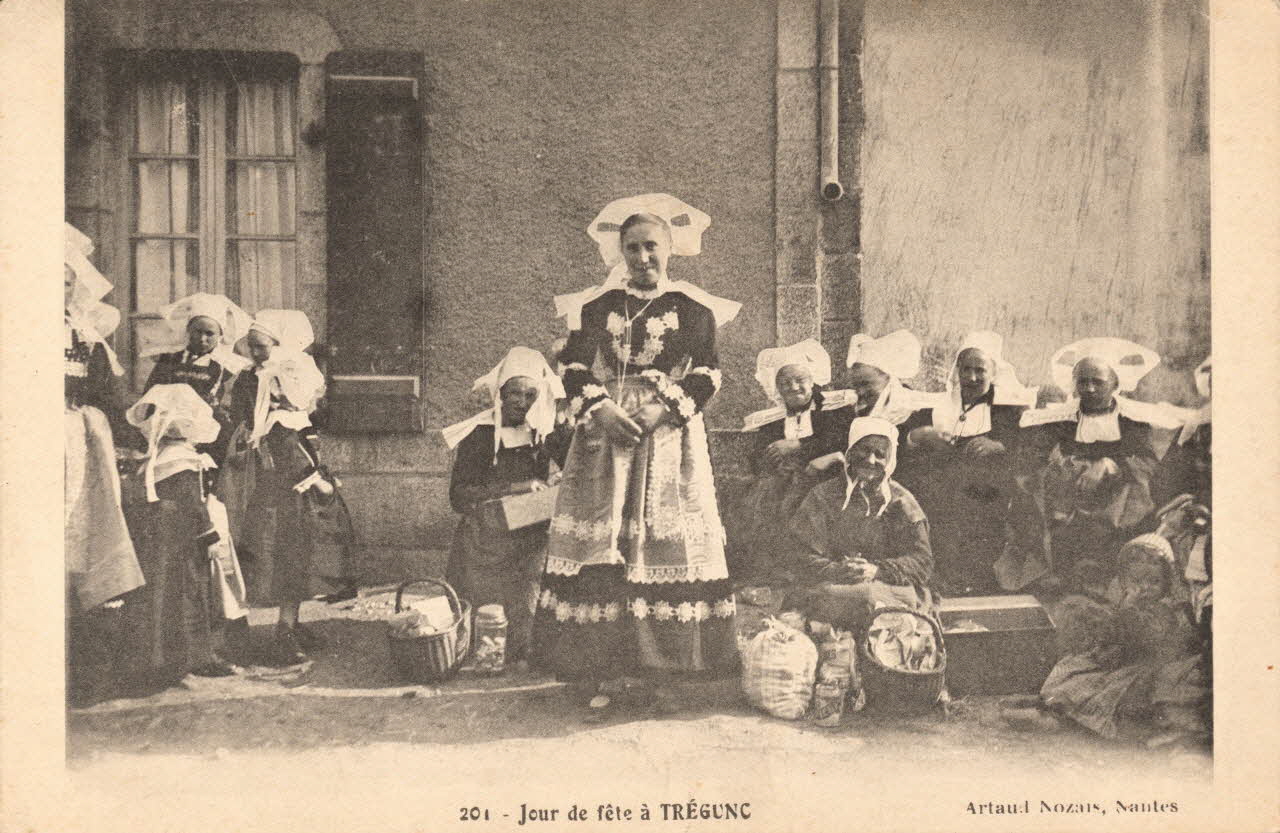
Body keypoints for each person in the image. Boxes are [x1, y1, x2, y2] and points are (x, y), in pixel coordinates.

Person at [532, 194, 742, 709]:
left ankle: (662, 674)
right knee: (604, 547)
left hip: (667, 438)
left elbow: (708, 373)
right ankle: (601, 671)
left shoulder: (693, 309)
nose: (643, 258)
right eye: (633, 248)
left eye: (652, 247)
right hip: (605, 440)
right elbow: (575, 368)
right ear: (619, 252)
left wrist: (661, 410)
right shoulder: (595, 307)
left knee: (661, 547)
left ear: (669, 249)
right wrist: (601, 408)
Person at [995, 338, 1185, 595]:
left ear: (1115, 384)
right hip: (1064, 505)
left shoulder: (1132, 422)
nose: (1090, 389)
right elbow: (1032, 462)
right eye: (1083, 381)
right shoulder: (1058, 419)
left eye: (1098, 382)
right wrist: (1062, 473)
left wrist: (1109, 465)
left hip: (1118, 509)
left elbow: (1148, 464)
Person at [1011, 534, 1209, 747]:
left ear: (1167, 582)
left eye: (1154, 582)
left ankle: (1063, 718)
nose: (1145, 588)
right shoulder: (1128, 602)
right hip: (1123, 658)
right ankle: (1050, 703)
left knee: (1106, 688)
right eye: (1137, 582)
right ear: (1125, 581)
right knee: (1074, 665)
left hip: (1144, 665)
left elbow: (1143, 635)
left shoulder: (1166, 609)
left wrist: (1127, 611)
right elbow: (1114, 629)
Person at [220, 309, 336, 665]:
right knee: (265, 551)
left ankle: (290, 624)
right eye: (252, 346)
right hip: (260, 480)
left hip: (291, 476)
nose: (256, 353)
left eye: (262, 346)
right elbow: (242, 421)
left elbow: (311, 419)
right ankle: (259, 631)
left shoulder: (295, 375)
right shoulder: (248, 379)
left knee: (295, 547)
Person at [442, 346, 571, 662]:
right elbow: (458, 495)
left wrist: (566, 424)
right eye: (513, 393)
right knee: (484, 628)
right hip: (485, 541)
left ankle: (525, 646)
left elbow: (575, 462)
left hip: (530, 537)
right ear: (500, 393)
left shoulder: (543, 431)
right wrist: (515, 488)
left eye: (530, 395)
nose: (521, 402)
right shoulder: (481, 434)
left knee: (529, 618)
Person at [63, 222, 146, 704]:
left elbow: (108, 397)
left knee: (81, 546)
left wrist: (137, 435)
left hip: (74, 443)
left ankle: (80, 670)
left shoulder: (84, 334)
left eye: (67, 279)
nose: (59, 288)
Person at [895, 331, 1034, 594]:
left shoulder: (1009, 409)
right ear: (956, 371)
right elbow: (904, 438)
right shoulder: (937, 405)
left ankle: (977, 583)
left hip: (987, 492)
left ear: (993, 373)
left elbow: (1029, 448)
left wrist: (999, 446)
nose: (971, 377)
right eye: (966, 369)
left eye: (979, 370)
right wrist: (922, 435)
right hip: (941, 487)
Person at [120, 384, 237, 684]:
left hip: (158, 534)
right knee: (187, 592)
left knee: (159, 591)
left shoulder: (157, 457)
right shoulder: (182, 460)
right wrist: (209, 536)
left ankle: (155, 658)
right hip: (182, 536)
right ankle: (189, 658)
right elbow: (193, 505)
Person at [782, 416, 935, 635]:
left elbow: (922, 561)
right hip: (832, 585)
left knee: (871, 599)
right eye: (864, 450)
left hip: (886, 587)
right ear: (850, 453)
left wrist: (877, 570)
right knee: (851, 598)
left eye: (880, 454)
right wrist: (839, 570)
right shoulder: (822, 496)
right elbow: (798, 554)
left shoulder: (901, 501)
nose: (871, 460)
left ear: (890, 461)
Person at [726, 339, 855, 587]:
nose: (793, 387)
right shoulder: (772, 418)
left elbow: (840, 440)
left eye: (800, 380)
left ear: (813, 380)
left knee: (794, 501)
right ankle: (770, 571)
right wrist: (771, 460)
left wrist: (799, 446)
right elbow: (758, 457)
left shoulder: (834, 408)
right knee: (754, 499)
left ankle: (809, 568)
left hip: (826, 476)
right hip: (784, 480)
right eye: (784, 383)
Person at [142, 293, 251, 467]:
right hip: (171, 432)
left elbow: (234, 406)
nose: (202, 339)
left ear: (220, 336)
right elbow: (151, 393)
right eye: (197, 332)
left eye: (209, 334)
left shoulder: (228, 366)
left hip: (212, 432)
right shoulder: (170, 359)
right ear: (188, 331)